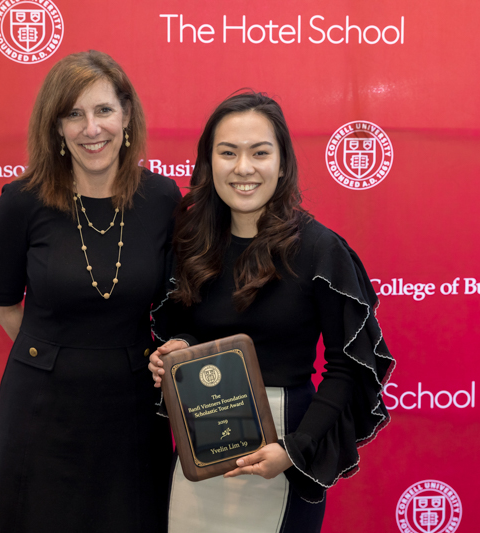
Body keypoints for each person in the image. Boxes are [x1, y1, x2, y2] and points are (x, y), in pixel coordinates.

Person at [149, 91, 394, 532]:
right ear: (209, 164)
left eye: (260, 152)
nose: (243, 168)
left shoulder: (319, 250)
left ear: (282, 163)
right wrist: (175, 351)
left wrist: (295, 449)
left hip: (278, 452)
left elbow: (346, 368)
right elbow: (183, 323)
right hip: (200, 448)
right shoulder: (191, 243)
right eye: (228, 153)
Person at [0, 50, 180, 533]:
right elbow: (1, 300)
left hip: (133, 406)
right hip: (40, 407)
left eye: (104, 110)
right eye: (74, 114)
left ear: (126, 115)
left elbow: (177, 304)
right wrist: (53, 354)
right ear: (57, 126)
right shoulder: (22, 200)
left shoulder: (162, 199)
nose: (92, 129)